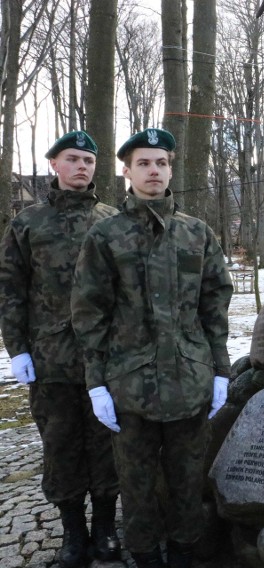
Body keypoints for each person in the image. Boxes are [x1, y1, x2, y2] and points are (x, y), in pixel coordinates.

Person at [71, 128, 232, 568]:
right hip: (130, 387)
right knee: (136, 485)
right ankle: (145, 558)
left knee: (186, 482)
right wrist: (97, 383)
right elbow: (89, 314)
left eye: (161, 162)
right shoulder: (106, 236)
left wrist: (221, 370)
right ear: (127, 171)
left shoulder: (197, 234)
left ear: (171, 168)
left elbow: (215, 306)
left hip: (189, 381)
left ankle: (183, 555)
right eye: (143, 163)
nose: (154, 170)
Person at [0, 131, 121, 567]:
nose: (82, 167)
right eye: (72, 159)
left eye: (89, 160)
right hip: (50, 360)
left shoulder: (113, 220)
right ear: (54, 164)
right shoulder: (28, 223)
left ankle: (106, 529)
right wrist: (17, 348)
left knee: (107, 444)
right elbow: (10, 288)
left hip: (105, 360)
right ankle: (73, 533)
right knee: (60, 444)